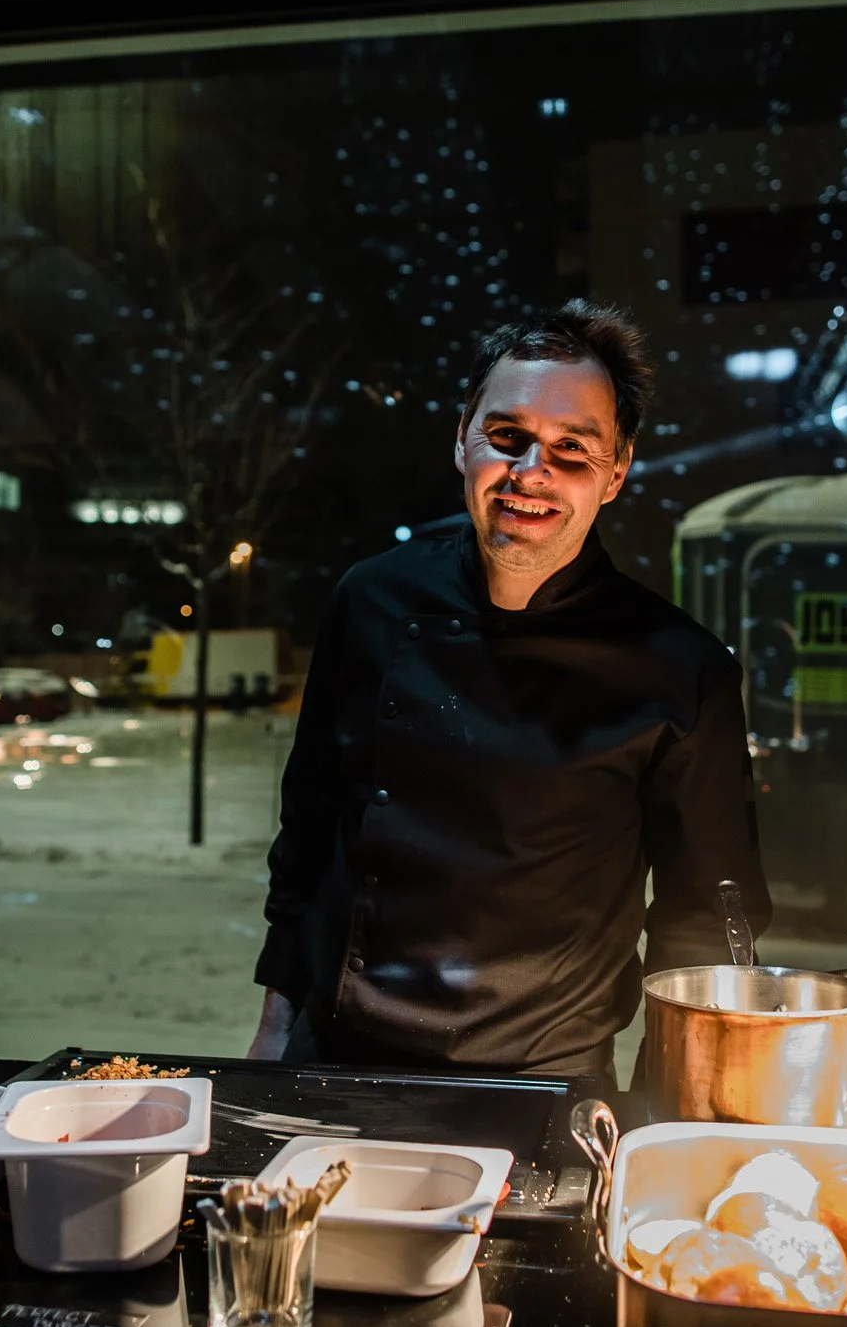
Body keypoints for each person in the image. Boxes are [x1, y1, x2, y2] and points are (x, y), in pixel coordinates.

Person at [248, 300, 771, 1078]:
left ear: (617, 472)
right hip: (338, 1055)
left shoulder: (679, 667)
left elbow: (704, 916)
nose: (532, 473)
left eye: (572, 448)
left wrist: (669, 1097)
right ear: (463, 438)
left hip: (543, 1078)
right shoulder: (370, 602)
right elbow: (309, 834)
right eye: (508, 437)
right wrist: (272, 1032)